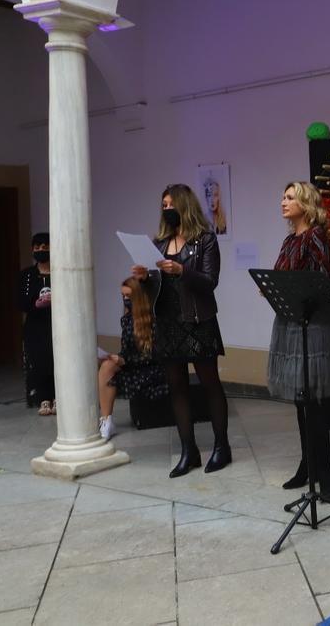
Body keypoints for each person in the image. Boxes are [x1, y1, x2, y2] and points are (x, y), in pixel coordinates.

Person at [132, 184, 231, 478]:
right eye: (163, 205)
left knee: (209, 383)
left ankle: (221, 447)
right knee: (176, 387)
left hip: (197, 321)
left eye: (170, 204)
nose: (166, 209)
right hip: (168, 321)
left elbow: (210, 281)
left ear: (184, 205)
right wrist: (143, 279)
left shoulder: (205, 240)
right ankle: (189, 451)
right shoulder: (159, 243)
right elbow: (155, 286)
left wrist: (182, 271)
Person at [265, 181, 330, 496]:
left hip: (311, 326)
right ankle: (307, 464)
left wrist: (291, 289)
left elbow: (321, 283)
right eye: (282, 196)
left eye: (290, 197)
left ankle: (325, 473)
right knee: (301, 398)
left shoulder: (317, 238)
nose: (283, 202)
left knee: (314, 400)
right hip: (289, 323)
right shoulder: (290, 240)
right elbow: (281, 274)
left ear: (306, 203)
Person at [97, 277, 168, 440]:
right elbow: (127, 350)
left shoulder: (154, 320)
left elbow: (155, 355)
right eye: (123, 296)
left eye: (129, 297)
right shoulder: (127, 320)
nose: (125, 300)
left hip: (154, 369)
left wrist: (124, 361)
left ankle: (107, 421)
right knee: (107, 366)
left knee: (110, 370)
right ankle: (106, 420)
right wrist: (117, 358)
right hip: (134, 365)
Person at [17, 232, 55, 416]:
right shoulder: (27, 275)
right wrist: (36, 304)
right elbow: (20, 302)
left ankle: (58, 398)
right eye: (37, 247)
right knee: (39, 361)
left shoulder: (60, 271)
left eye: (45, 247)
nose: (41, 250)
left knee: (56, 360)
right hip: (36, 325)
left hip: (56, 324)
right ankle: (43, 399)